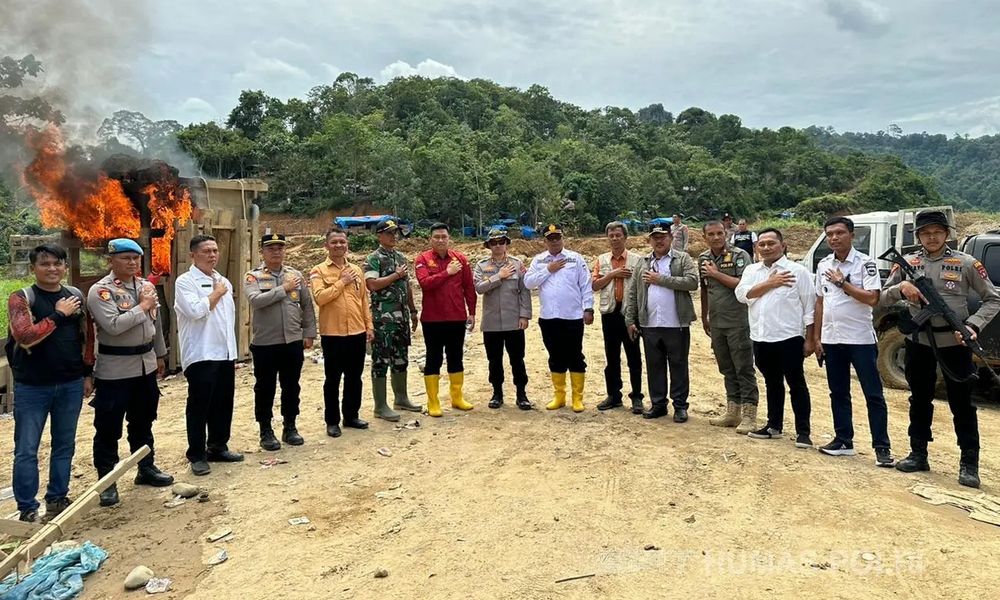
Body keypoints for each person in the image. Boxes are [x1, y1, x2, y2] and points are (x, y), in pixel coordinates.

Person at [880, 210, 1000, 488]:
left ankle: (969, 464)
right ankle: (918, 453)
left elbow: (993, 299)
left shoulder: (966, 263)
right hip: (919, 343)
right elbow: (882, 298)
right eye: (925, 233)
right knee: (919, 400)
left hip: (954, 344)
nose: (931, 237)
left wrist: (973, 326)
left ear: (946, 234)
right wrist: (902, 288)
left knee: (963, 405)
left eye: (937, 232)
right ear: (918, 236)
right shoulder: (907, 263)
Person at [6, 244, 90, 523]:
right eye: (45, 264)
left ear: (65, 267)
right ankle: (28, 507)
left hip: (70, 383)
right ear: (34, 268)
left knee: (64, 444)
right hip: (33, 387)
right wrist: (58, 314)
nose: (52, 269)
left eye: (57, 263)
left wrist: (87, 373)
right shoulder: (22, 298)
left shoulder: (75, 296)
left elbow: (86, 336)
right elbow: (25, 336)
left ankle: (57, 497)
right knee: (27, 449)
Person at [87, 238, 174, 507]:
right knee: (108, 427)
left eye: (136, 258)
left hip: (145, 364)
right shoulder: (101, 291)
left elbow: (156, 325)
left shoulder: (146, 286)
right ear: (111, 260)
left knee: (143, 421)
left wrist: (160, 355)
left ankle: (145, 467)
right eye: (126, 258)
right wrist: (142, 307)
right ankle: (107, 481)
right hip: (115, 369)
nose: (132, 262)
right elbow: (113, 326)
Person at [813, 217, 894, 467]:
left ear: (852, 234)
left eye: (839, 233)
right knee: (838, 392)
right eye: (830, 234)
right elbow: (819, 301)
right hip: (832, 339)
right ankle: (843, 440)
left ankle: (882, 447)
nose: (834, 238)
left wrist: (842, 283)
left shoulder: (865, 264)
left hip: (859, 339)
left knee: (873, 395)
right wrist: (816, 338)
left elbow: (872, 298)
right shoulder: (823, 264)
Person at [736, 228, 816, 448]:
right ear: (756, 247)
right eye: (761, 244)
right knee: (772, 383)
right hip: (761, 337)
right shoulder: (752, 271)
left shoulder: (798, 272)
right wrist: (769, 284)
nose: (766, 248)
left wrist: (811, 339)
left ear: (783, 245)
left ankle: (803, 432)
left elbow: (809, 308)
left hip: (789, 338)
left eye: (771, 243)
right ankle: (774, 426)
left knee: (796, 383)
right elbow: (742, 295)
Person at [174, 234, 243, 476]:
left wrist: (232, 352)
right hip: (201, 353)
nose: (212, 255)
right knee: (199, 406)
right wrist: (216, 294)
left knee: (223, 403)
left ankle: (218, 446)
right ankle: (196, 454)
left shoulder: (222, 280)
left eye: (215, 250)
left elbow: (227, 321)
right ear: (193, 254)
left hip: (224, 353)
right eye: (206, 251)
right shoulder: (185, 282)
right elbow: (195, 311)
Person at [245, 233, 317, 450]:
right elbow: (256, 301)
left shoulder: (295, 274)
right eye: (271, 248)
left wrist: (309, 332)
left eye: (280, 248)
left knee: (291, 386)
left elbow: (306, 306)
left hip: (292, 341)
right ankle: (265, 430)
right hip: (265, 343)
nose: (276, 252)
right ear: (262, 252)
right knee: (265, 388)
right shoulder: (253, 276)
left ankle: (290, 426)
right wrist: (283, 289)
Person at [625, 225, 698, 422]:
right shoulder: (643, 262)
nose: (659, 241)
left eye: (663, 237)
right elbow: (633, 292)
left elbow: (692, 282)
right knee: (654, 365)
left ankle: (680, 406)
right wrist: (630, 319)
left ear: (671, 237)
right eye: (655, 237)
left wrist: (661, 279)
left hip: (677, 324)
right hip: (649, 323)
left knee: (678, 365)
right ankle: (658, 404)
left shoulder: (682, 258)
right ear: (650, 240)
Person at [310, 225, 374, 436]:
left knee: (355, 377)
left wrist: (369, 326)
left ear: (347, 244)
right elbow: (320, 298)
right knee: (333, 379)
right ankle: (332, 421)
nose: (339, 245)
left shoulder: (357, 270)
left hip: (356, 332)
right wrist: (341, 282)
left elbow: (363, 300)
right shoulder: (318, 271)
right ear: (326, 245)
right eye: (334, 242)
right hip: (333, 334)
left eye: (342, 242)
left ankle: (351, 416)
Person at [524, 224, 594, 412]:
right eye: (550, 238)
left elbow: (586, 285)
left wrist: (589, 308)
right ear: (544, 241)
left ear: (563, 239)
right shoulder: (538, 261)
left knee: (575, 356)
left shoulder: (575, 258)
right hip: (549, 317)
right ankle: (559, 396)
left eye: (557, 238)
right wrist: (549, 269)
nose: (554, 241)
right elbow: (529, 283)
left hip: (572, 316)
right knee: (555, 356)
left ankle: (577, 398)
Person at [698, 221, 759, 433]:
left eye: (720, 233)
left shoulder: (740, 255)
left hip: (738, 320)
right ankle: (733, 411)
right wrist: (705, 316)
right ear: (704, 237)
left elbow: (744, 285)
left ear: (726, 234)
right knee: (726, 366)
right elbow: (705, 289)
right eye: (711, 234)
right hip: (717, 321)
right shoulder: (704, 258)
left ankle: (750, 414)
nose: (716, 237)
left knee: (743, 366)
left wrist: (716, 274)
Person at [414, 223, 477, 417]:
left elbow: (468, 287)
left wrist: (472, 312)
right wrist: (447, 273)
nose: (440, 240)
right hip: (432, 319)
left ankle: (457, 397)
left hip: (456, 317)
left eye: (444, 237)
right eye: (437, 237)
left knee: (455, 357)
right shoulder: (422, 259)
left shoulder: (461, 259)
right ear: (430, 239)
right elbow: (425, 284)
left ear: (449, 238)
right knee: (434, 358)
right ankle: (433, 401)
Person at [364, 218, 422, 422]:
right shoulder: (374, 258)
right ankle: (380, 406)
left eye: (395, 233)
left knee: (401, 358)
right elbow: (372, 284)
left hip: (401, 318)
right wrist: (394, 276)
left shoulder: (400, 257)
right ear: (379, 235)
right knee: (381, 360)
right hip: (383, 319)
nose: (394, 236)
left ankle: (401, 397)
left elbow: (407, 287)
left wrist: (413, 311)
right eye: (389, 233)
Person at [474, 228, 532, 409]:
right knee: (494, 359)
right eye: (494, 242)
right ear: (489, 245)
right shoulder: (481, 265)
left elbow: (524, 291)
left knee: (517, 359)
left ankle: (521, 394)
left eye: (501, 242)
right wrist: (498, 276)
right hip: (491, 323)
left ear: (506, 243)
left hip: (514, 321)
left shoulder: (517, 264)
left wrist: (524, 315)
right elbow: (479, 288)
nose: (498, 245)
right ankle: (497, 393)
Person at [591, 221, 644, 414]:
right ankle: (614, 395)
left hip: (630, 315)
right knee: (611, 356)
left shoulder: (637, 260)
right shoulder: (602, 259)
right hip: (610, 313)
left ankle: (637, 396)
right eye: (611, 236)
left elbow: (641, 288)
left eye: (618, 235)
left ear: (625, 237)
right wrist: (613, 274)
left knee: (634, 356)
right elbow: (595, 285)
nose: (614, 239)